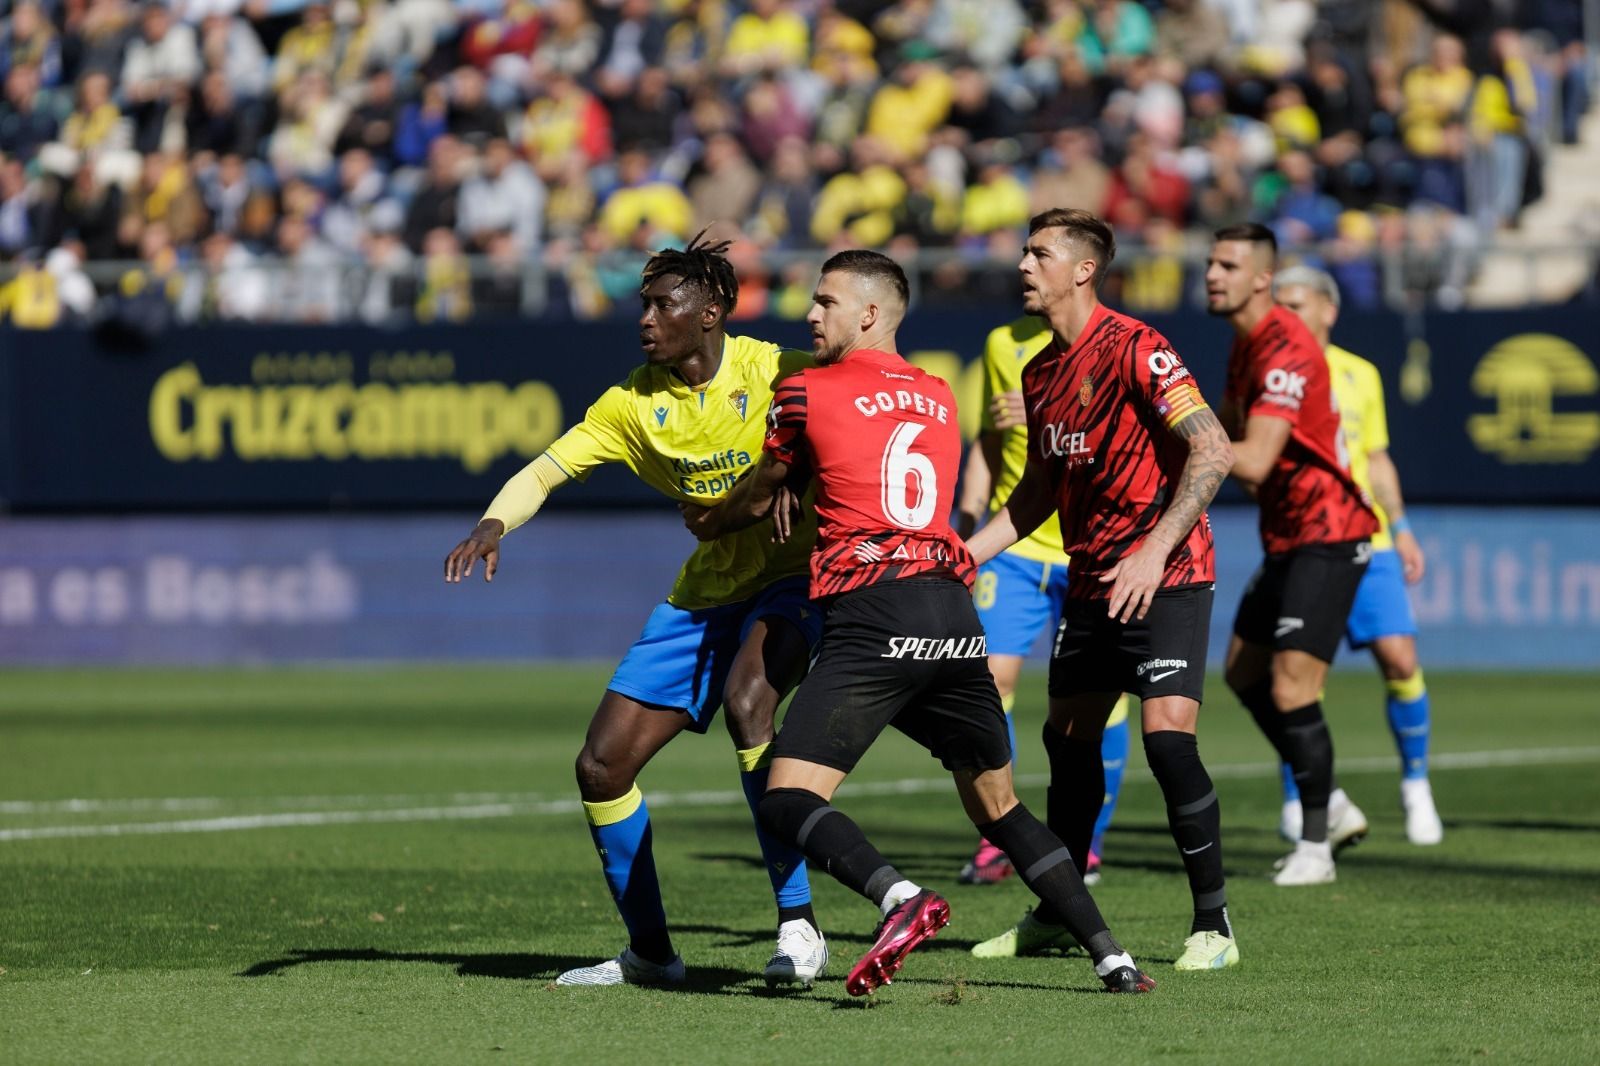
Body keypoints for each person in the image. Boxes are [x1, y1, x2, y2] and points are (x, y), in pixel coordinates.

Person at [683, 249, 1155, 996]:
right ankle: (1113, 957)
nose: (811, 314)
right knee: (999, 806)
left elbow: (762, 489)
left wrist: (706, 514)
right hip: (954, 613)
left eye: (826, 302)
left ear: (869, 314)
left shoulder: (804, 391)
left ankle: (899, 898)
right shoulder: (937, 393)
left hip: (877, 614)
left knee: (785, 795)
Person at [444, 233, 828, 988]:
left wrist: (802, 467)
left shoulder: (775, 368)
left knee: (752, 703)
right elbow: (547, 468)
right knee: (600, 764)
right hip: (707, 592)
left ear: (712, 311)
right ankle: (651, 953)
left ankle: (798, 923)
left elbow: (852, 414)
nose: (645, 319)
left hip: (796, 577)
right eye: (643, 305)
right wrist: (495, 521)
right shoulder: (630, 404)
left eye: (663, 304)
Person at [965, 209, 1241, 972]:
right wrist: (966, 552)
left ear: (1083, 269)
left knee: (1166, 742)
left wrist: (1154, 550)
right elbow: (1036, 495)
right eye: (1024, 250)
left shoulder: (1137, 348)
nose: (1023, 264)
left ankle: (1214, 927)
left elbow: (1212, 449)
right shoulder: (1039, 371)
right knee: (1066, 740)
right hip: (1091, 582)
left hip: (1169, 575)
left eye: (1039, 252)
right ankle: (1059, 911)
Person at [1204, 223, 1380, 887]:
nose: (1213, 274)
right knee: (1244, 673)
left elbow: (1251, 458)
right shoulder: (1244, 344)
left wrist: (1160, 432)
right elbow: (1222, 429)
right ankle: (1330, 801)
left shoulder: (1286, 347)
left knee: (1290, 684)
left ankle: (1315, 845)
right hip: (1289, 535)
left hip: (1331, 532)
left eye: (1227, 265)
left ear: (1261, 279)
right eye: (1210, 263)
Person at [954, 315, 1133, 887]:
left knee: (1103, 698)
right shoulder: (1001, 341)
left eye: (1040, 254)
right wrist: (968, 515)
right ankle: (998, 836)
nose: (1026, 267)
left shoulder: (1115, 344)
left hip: (1087, 544)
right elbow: (988, 436)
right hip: (1015, 546)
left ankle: (1092, 841)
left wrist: (1040, 417)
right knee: (990, 680)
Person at [1272, 265, 1444, 846]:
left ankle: (1415, 785)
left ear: (1328, 309)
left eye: (1297, 303)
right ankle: (1299, 797)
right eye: (1280, 304)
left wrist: (1402, 527)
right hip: (1306, 543)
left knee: (1399, 659)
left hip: (1368, 540)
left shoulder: (1359, 374)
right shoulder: (1271, 374)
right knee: (1298, 677)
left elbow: (1375, 457)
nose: (1286, 313)